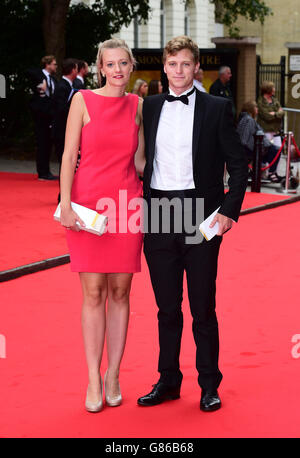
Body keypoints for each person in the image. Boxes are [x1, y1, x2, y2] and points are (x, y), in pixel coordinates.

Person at [138, 36, 248, 412]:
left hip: (200, 216)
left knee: (203, 306)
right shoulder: (149, 106)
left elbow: (238, 164)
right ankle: (168, 380)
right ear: (164, 67)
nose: (179, 71)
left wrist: (229, 211)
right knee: (166, 308)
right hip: (157, 214)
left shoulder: (217, 107)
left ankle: (208, 384)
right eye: (172, 64)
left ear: (196, 66)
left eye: (186, 64)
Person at [59, 38, 145, 413]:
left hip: (127, 204)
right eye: (109, 64)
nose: (117, 70)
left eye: (123, 63)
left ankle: (114, 374)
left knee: (121, 292)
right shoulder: (81, 100)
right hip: (88, 204)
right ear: (99, 67)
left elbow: (141, 161)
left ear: (131, 67)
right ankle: (93, 378)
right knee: (93, 291)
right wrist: (65, 203)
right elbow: (67, 154)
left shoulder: (139, 106)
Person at [27, 55, 58, 180]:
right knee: (42, 143)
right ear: (48, 65)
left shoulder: (54, 80)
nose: (56, 66)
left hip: (50, 115)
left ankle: (46, 171)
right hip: (40, 114)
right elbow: (29, 71)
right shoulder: (39, 75)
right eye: (54, 64)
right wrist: (41, 81)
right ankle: (42, 172)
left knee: (47, 143)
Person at [237, 101, 282, 183]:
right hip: (255, 150)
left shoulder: (246, 119)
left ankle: (269, 173)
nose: (257, 109)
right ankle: (271, 173)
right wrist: (256, 150)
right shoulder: (248, 120)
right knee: (276, 150)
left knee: (275, 149)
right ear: (251, 109)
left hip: (258, 148)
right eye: (256, 107)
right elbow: (244, 139)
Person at [52, 58, 78, 188]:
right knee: (65, 162)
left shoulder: (67, 85)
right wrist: (77, 110)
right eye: (77, 68)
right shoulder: (62, 86)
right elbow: (60, 109)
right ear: (73, 69)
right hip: (61, 131)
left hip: (66, 130)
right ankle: (63, 194)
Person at [257, 81, 284, 148]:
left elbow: (282, 113)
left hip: (276, 130)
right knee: (267, 150)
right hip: (266, 130)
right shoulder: (260, 102)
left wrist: (274, 114)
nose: (274, 89)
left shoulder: (274, 100)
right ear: (268, 89)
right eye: (273, 87)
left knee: (278, 149)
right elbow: (267, 116)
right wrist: (278, 113)